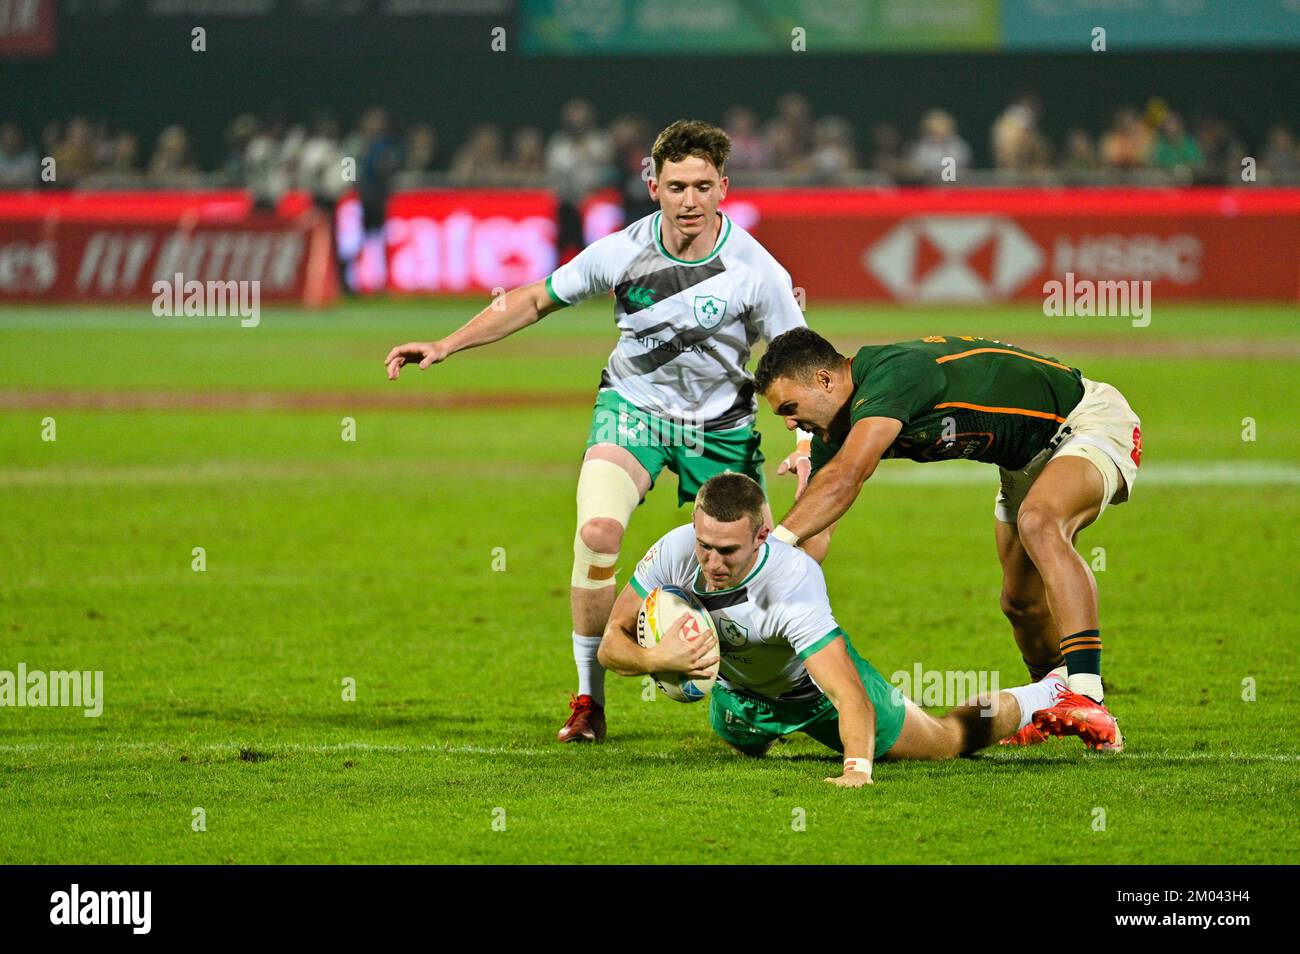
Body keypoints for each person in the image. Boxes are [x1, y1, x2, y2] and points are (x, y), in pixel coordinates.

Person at [384, 119, 815, 744]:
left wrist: (804, 445)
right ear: (654, 187)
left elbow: (799, 358)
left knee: (748, 566)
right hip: (633, 408)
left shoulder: (758, 271)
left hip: (721, 426)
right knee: (597, 531)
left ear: (724, 187)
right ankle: (589, 701)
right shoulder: (622, 250)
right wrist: (447, 343)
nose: (688, 201)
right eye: (676, 187)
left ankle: (760, 692)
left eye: (701, 186)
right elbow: (533, 299)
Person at [754, 329, 1142, 751]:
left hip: (1086, 420)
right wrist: (769, 605)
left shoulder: (894, 372)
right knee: (1022, 605)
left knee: (1039, 521)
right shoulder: (836, 431)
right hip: (1022, 461)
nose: (791, 424)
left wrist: (772, 548)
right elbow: (819, 529)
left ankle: (1087, 695)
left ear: (826, 381)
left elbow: (849, 475)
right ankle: (1050, 702)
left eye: (790, 409)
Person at [598, 473, 1082, 787]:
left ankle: (1050, 691)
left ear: (761, 536)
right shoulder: (676, 550)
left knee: (943, 742)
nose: (711, 562)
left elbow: (848, 693)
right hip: (739, 695)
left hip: (813, 695)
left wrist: (857, 768)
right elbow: (611, 644)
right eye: (705, 546)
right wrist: (655, 660)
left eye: (728, 551)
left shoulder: (793, 582)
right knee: (739, 741)